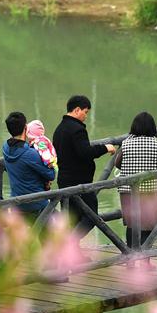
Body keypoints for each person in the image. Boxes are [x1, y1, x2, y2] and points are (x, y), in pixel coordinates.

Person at [52, 95, 116, 238]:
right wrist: (106, 148)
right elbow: (85, 152)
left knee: (71, 220)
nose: (86, 116)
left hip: (64, 180)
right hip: (80, 183)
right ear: (77, 110)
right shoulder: (77, 129)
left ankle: (69, 255)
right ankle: (70, 245)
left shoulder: (59, 129)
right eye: (85, 112)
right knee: (91, 216)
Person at [116, 112, 157, 263]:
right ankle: (145, 261)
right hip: (150, 191)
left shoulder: (125, 143)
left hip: (128, 191)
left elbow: (118, 163)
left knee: (132, 224)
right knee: (148, 225)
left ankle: (130, 260)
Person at [2, 111, 56, 226]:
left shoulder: (5, 148)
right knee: (52, 240)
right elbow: (51, 175)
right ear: (26, 127)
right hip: (37, 204)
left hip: (16, 203)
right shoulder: (30, 153)